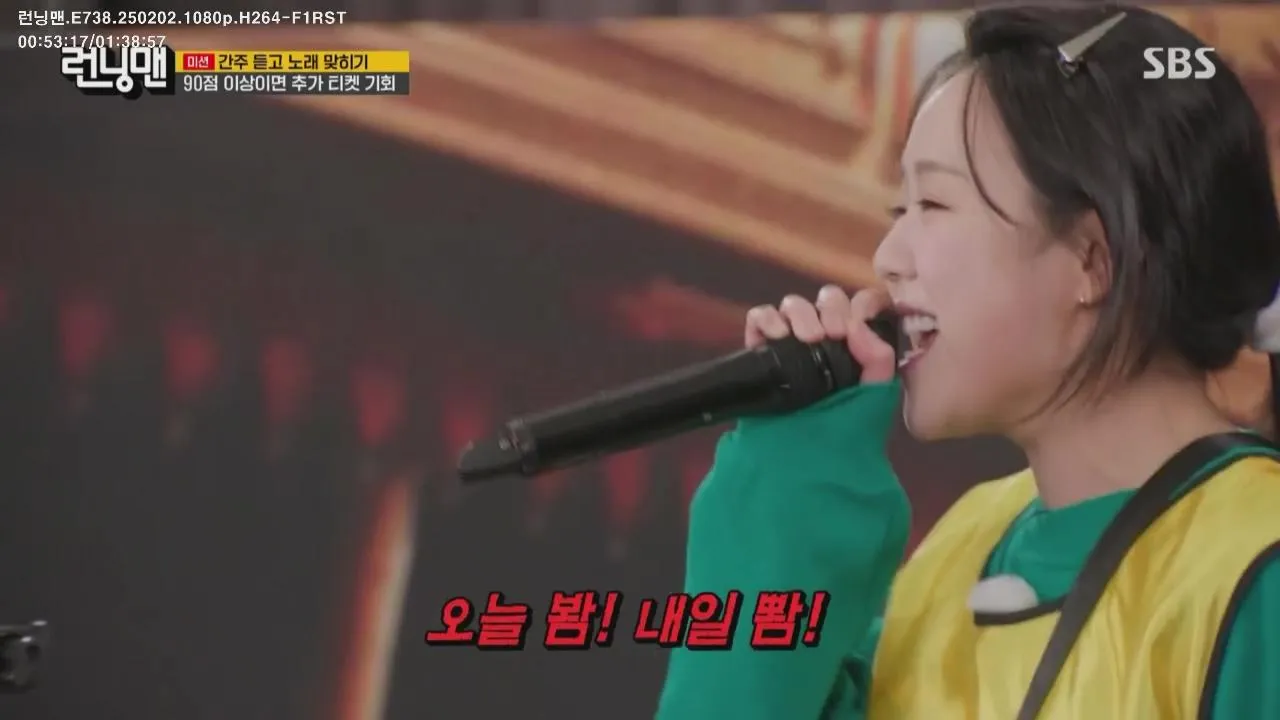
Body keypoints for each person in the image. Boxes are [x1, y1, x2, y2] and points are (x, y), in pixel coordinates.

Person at [657, 5, 1280, 719]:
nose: (888, 258)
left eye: (932, 203)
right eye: (900, 211)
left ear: (1092, 260)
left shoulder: (1254, 569)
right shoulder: (966, 542)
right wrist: (787, 491)